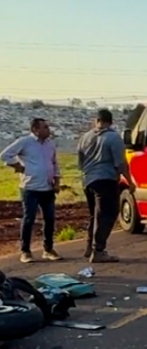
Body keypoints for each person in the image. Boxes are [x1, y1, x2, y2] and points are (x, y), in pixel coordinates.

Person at [77, 107, 136, 263]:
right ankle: (98, 250)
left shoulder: (85, 137)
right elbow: (121, 164)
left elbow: (80, 162)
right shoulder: (113, 138)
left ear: (96, 121)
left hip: (88, 180)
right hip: (106, 180)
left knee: (94, 215)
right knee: (106, 215)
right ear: (111, 122)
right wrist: (130, 182)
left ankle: (90, 246)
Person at [1, 117, 62, 264]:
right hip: (30, 188)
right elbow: (5, 155)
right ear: (35, 129)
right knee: (29, 219)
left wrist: (57, 181)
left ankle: (48, 249)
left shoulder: (50, 145)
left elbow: (54, 163)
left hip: (47, 187)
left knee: (49, 218)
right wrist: (18, 166)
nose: (48, 130)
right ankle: (25, 251)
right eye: (45, 127)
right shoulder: (25, 142)